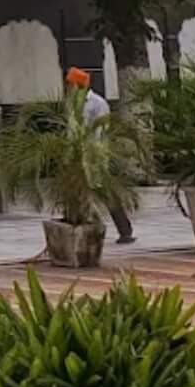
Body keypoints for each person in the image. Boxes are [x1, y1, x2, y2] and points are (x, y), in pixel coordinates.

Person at [27, 67, 134, 262]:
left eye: (70, 84)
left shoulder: (97, 103)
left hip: (94, 155)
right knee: (79, 193)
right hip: (76, 156)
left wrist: (93, 154)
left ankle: (124, 230)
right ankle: (84, 229)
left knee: (104, 191)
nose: (68, 87)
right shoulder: (72, 103)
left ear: (79, 84)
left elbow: (100, 131)